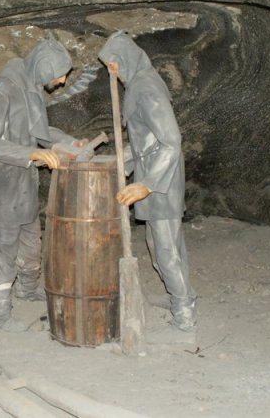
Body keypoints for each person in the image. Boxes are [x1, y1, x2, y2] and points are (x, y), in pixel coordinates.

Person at [0, 36, 86, 332]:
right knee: (3, 252)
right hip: (1, 188)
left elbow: (39, 130)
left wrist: (68, 142)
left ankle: (27, 289)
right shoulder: (6, 88)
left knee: (30, 244)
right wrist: (32, 154)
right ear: (43, 66)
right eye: (59, 74)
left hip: (24, 184)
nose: (61, 81)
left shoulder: (30, 87)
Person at [98, 31, 197, 343]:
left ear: (124, 59)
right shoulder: (140, 84)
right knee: (162, 248)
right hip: (154, 175)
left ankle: (184, 315)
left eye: (113, 64)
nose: (112, 71)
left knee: (167, 251)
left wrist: (147, 184)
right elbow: (145, 144)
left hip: (161, 183)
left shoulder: (147, 88)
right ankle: (180, 297)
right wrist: (113, 162)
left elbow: (171, 141)